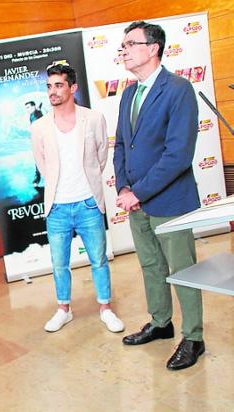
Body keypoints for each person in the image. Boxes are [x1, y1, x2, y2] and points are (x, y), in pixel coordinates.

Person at [113, 20, 204, 371]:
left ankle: (194, 337)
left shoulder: (179, 89)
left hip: (169, 202)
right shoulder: (127, 93)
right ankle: (161, 322)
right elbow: (122, 144)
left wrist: (138, 192)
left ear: (153, 48)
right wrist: (123, 187)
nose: (123, 51)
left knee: (183, 270)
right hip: (135, 200)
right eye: (122, 46)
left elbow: (178, 155)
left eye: (130, 44)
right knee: (151, 265)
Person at [32, 63, 124, 333]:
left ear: (72, 88)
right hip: (57, 207)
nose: (53, 91)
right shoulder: (39, 127)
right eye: (49, 86)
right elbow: (42, 164)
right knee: (59, 264)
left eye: (58, 85)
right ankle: (64, 309)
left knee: (98, 259)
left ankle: (105, 308)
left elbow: (100, 157)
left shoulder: (93, 119)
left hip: (88, 203)